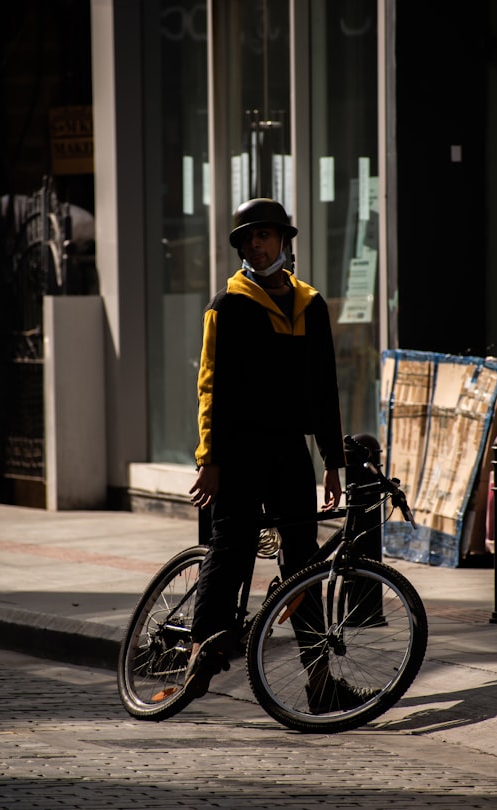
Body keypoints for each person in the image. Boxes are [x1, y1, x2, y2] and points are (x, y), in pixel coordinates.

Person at [186, 198, 371, 711]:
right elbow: (211, 389)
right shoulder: (228, 305)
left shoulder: (310, 305)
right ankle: (200, 649)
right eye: (247, 237)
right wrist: (210, 458)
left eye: (264, 235)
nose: (255, 244)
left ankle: (320, 681)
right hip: (241, 450)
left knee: (302, 562)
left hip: (291, 451)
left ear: (283, 242)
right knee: (232, 544)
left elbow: (324, 390)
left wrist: (333, 460)